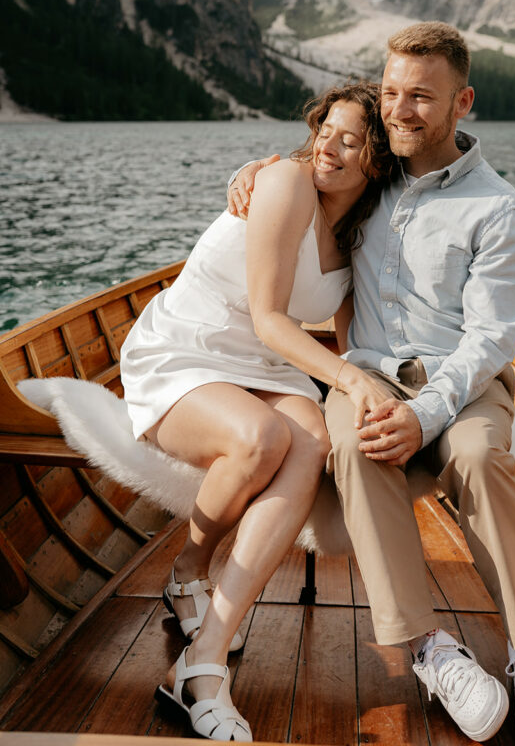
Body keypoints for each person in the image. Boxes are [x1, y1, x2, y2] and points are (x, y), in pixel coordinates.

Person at [229, 22, 515, 743]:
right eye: (390, 92)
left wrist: (427, 414)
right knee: (355, 448)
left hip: (463, 383)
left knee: (479, 455)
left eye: (421, 96)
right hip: (366, 378)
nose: (399, 110)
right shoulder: (373, 178)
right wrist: (261, 171)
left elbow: (489, 340)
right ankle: (427, 647)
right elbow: (317, 165)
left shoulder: (498, 208)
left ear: (462, 102)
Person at [120, 82, 395, 742]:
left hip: (263, 367)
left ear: (378, 157)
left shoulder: (366, 225)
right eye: (323, 129)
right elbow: (273, 319)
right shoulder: (285, 183)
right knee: (261, 438)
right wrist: (349, 384)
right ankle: (188, 572)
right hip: (186, 347)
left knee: (309, 445)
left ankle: (202, 662)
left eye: (349, 138)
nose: (326, 144)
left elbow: (355, 336)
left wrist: (389, 390)